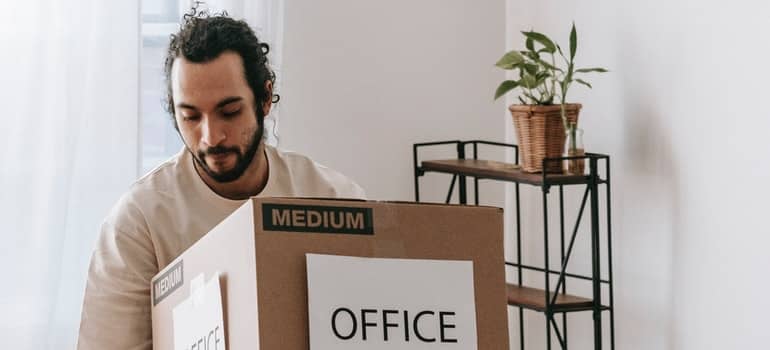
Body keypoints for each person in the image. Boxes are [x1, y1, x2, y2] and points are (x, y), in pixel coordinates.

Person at [76, 9, 365, 350]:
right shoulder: (138, 222)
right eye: (191, 116)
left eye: (229, 112)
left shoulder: (333, 198)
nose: (211, 137)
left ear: (264, 98)